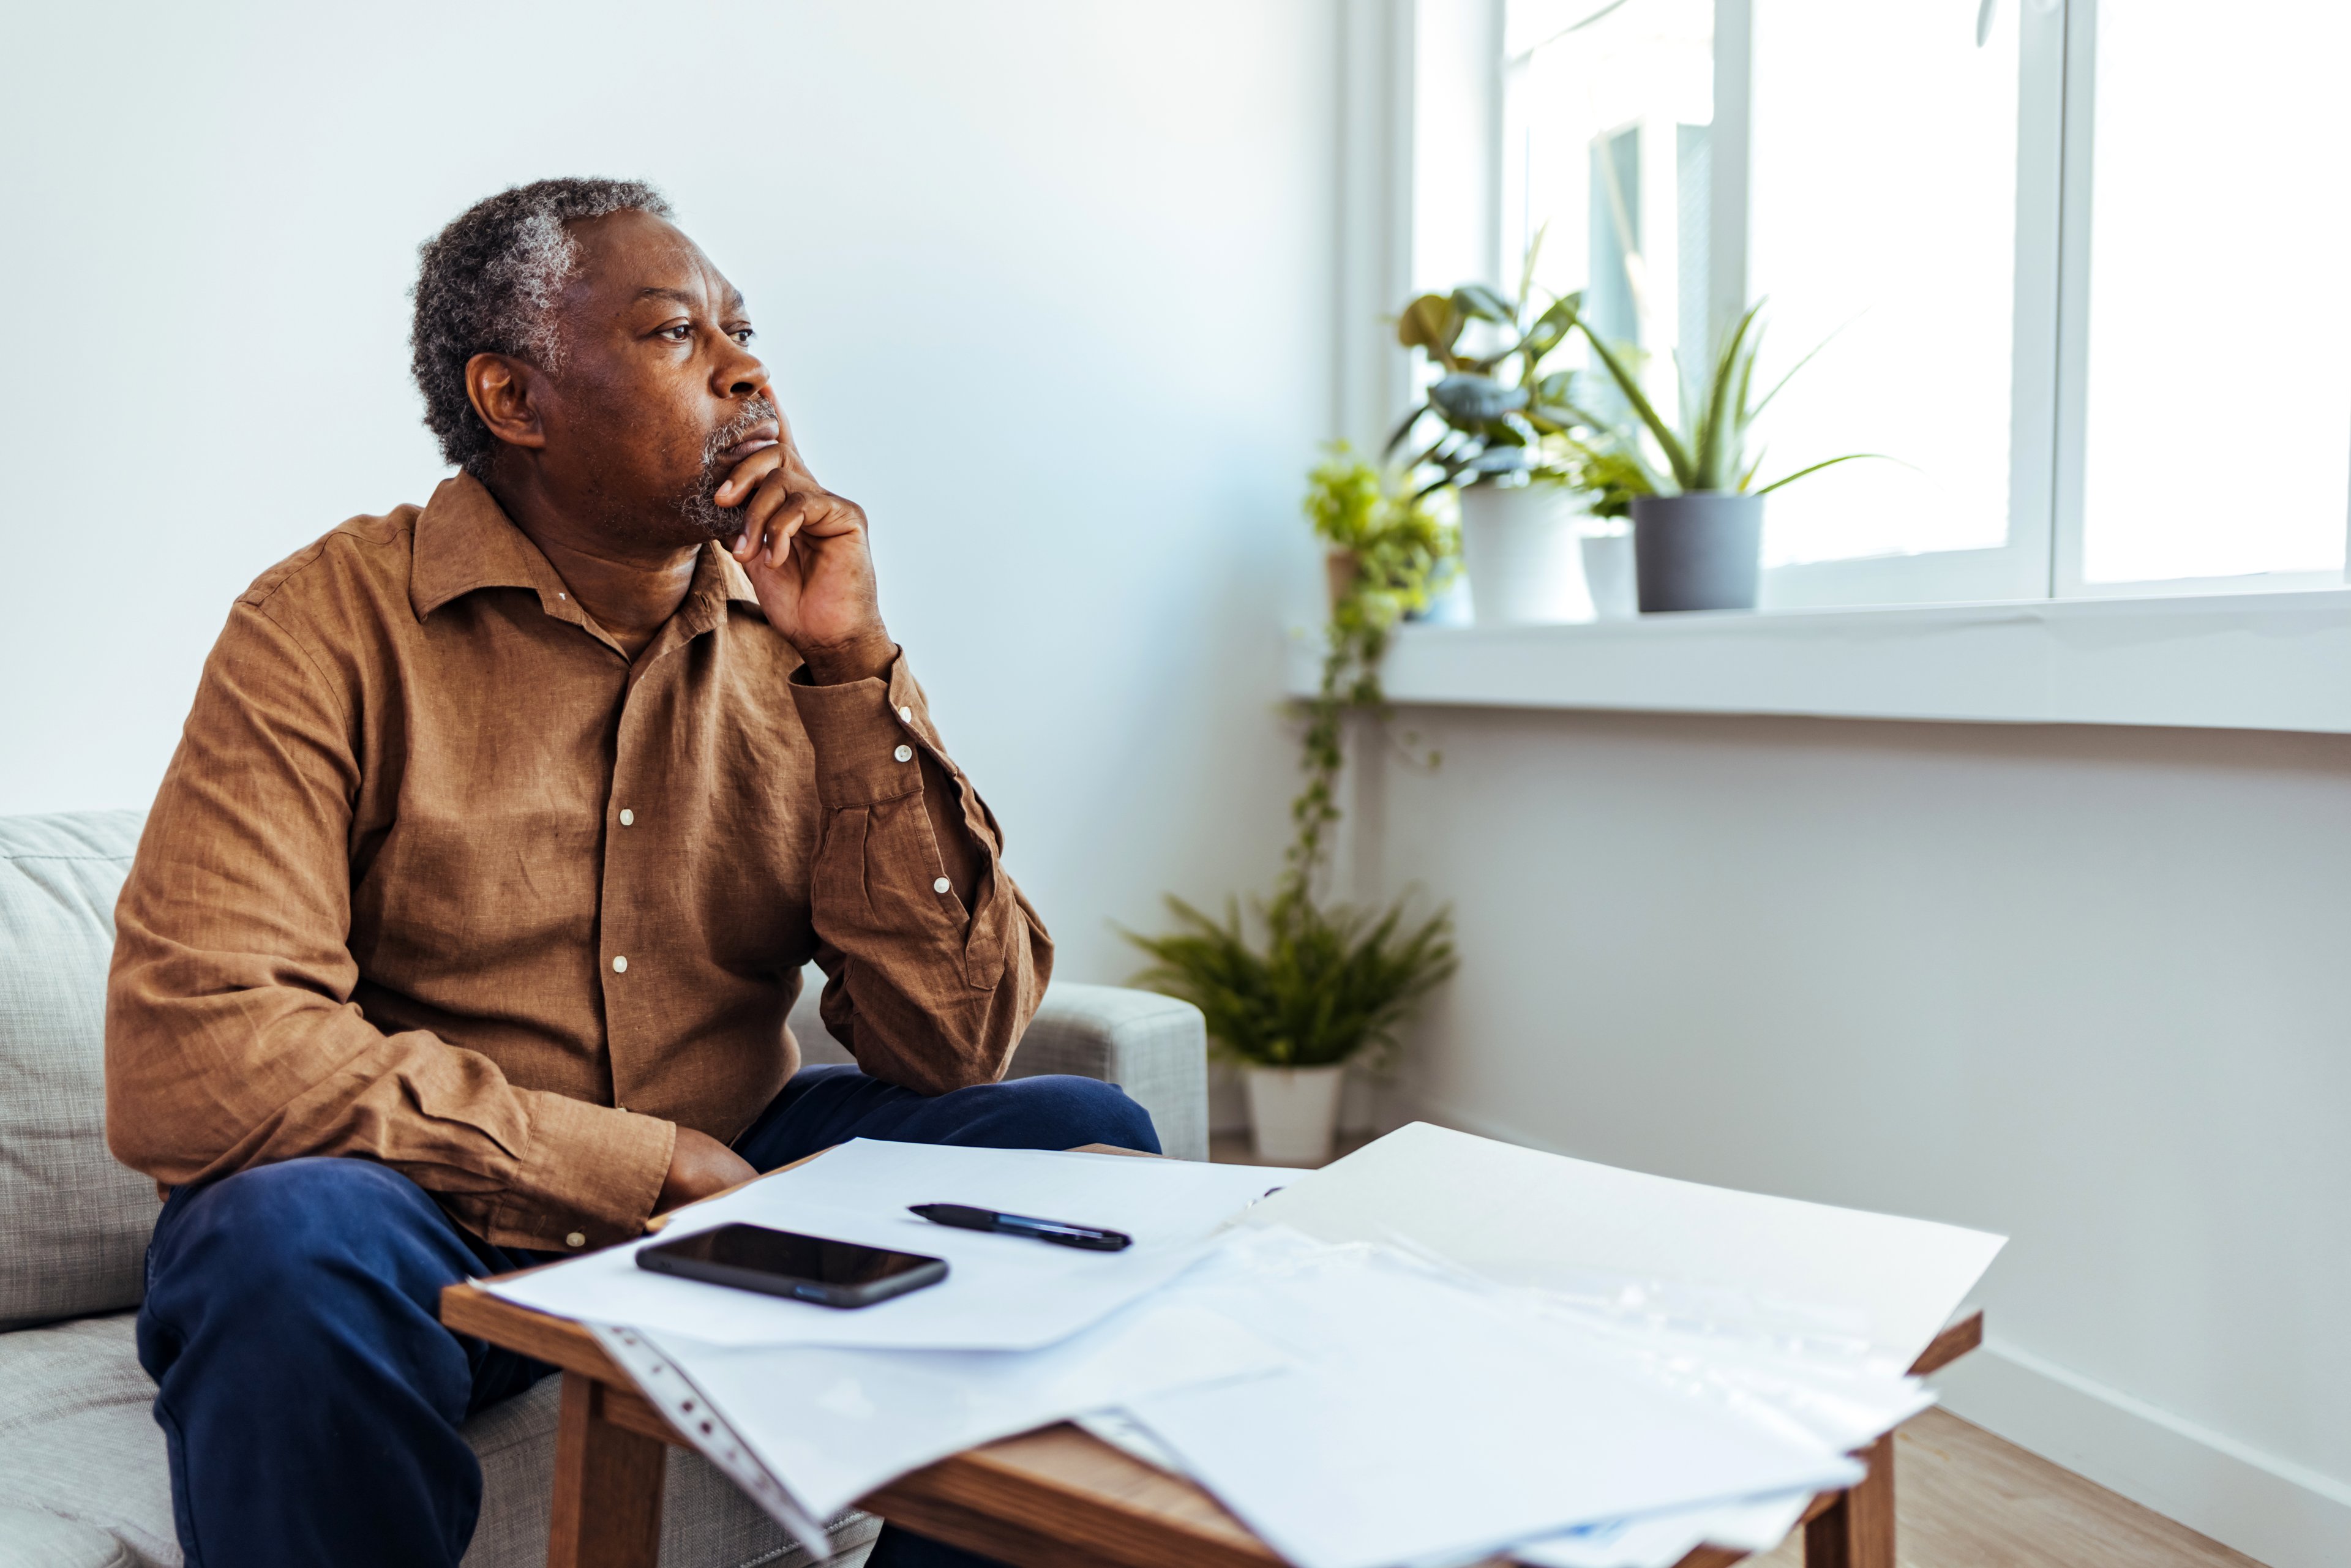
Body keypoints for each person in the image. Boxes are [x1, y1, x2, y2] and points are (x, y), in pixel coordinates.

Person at [103, 177, 1155, 1568]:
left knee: (1085, 1150)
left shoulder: (797, 638)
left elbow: (956, 1047)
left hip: (741, 1187)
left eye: (742, 328)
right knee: (284, 1240)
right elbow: (202, 1052)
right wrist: (631, 1164)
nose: (746, 368)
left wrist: (852, 666)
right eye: (676, 334)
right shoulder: (326, 623)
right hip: (427, 1215)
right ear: (514, 398)